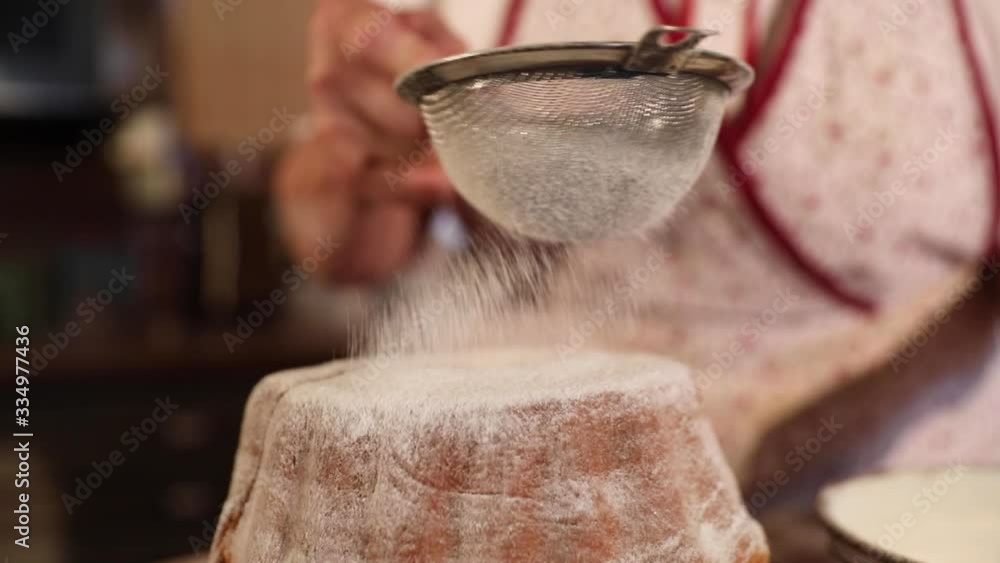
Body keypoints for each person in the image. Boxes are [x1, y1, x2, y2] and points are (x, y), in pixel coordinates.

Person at [277, 0, 1000, 558]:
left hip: (864, 516)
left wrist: (776, 465)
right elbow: (347, 251)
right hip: (517, 506)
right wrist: (354, 161)